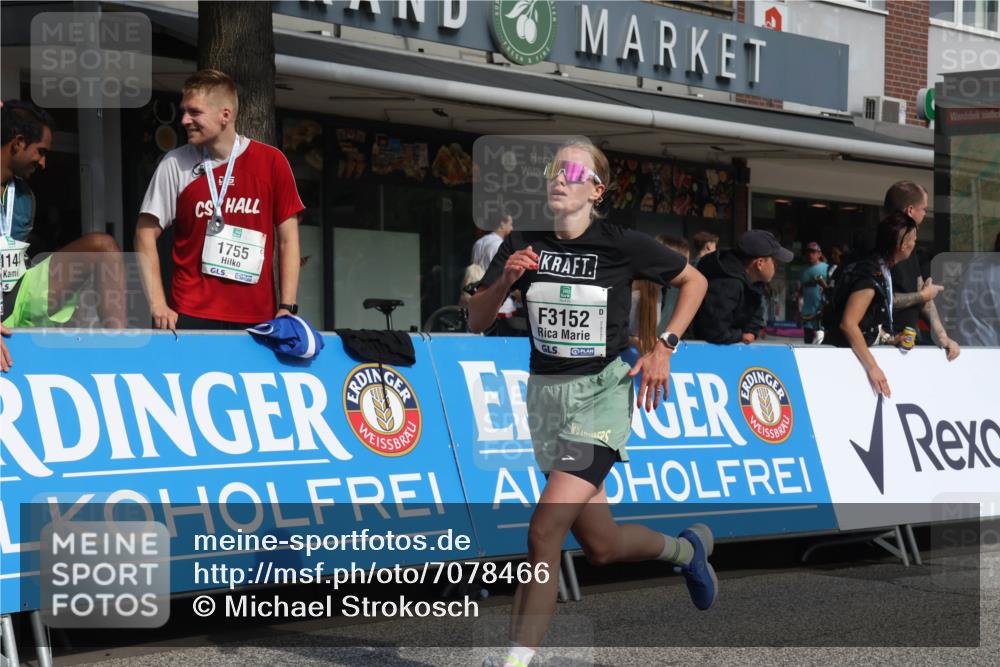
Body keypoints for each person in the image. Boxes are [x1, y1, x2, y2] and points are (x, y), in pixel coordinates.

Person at [468, 138, 712, 667]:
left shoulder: (621, 244)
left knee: (544, 529)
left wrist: (665, 346)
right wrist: (506, 280)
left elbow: (695, 281)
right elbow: (475, 319)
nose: (558, 177)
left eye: (572, 171)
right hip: (546, 400)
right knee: (601, 545)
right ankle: (687, 551)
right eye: (554, 169)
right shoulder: (524, 244)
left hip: (601, 399)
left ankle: (516, 660)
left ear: (596, 190)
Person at [135, 69, 304, 330]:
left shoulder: (271, 162)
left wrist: (287, 306)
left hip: (256, 316)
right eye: (184, 111)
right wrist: (158, 303)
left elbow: (288, 239)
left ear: (224, 115)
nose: (184, 120)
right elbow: (144, 234)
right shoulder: (175, 163)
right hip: (191, 313)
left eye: (194, 112)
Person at [2, 100, 125, 372]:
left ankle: (122, 358)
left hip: (17, 292)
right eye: (41, 151)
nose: (44, 163)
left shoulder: (24, 199)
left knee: (102, 246)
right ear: (18, 143)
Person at [824, 212, 917, 397]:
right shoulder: (870, 275)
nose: (915, 244)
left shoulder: (880, 270)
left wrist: (890, 338)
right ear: (903, 244)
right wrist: (873, 367)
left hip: (850, 359)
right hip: (843, 361)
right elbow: (849, 324)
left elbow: (866, 322)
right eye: (914, 239)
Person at [883, 181, 960, 361]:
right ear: (910, 211)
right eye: (924, 209)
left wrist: (943, 337)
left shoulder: (909, 249)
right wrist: (923, 295)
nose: (926, 214)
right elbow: (881, 300)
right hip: (884, 347)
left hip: (907, 345)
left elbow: (924, 295)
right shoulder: (878, 249)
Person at [693, 229, 793, 344]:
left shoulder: (755, 284)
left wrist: (751, 332)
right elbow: (713, 330)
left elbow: (756, 317)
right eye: (775, 262)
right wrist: (741, 336)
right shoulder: (727, 284)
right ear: (760, 263)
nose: (777, 267)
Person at [629, 234, 690, 354]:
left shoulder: (660, 291)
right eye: (684, 265)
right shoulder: (634, 293)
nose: (688, 271)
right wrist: (632, 340)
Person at [799, 241, 829, 344]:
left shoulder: (826, 268)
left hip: (821, 310)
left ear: (819, 254)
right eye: (808, 252)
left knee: (820, 340)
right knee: (807, 341)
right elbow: (800, 290)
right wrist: (797, 309)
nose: (810, 254)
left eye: (813, 252)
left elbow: (830, 289)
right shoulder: (803, 270)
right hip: (807, 311)